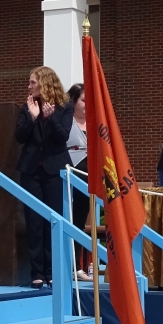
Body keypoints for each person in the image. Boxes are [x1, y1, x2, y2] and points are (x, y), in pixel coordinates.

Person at [15, 66, 72, 287]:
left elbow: (63, 136)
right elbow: (19, 137)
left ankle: (52, 271)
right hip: (31, 171)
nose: (29, 86)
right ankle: (36, 272)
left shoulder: (64, 107)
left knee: (53, 221)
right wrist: (32, 118)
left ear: (45, 83)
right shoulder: (27, 107)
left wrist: (50, 118)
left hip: (54, 171)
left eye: (32, 82)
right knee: (34, 223)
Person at [65, 83, 92, 280]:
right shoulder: (66, 121)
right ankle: (64, 265)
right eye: (83, 100)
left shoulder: (95, 123)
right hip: (69, 175)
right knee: (68, 220)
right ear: (73, 101)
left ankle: (77, 267)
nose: (87, 104)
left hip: (89, 178)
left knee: (80, 222)